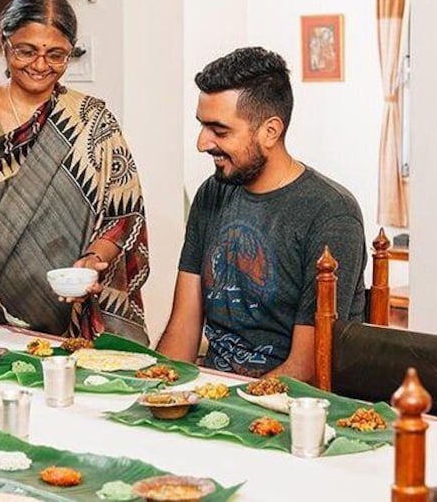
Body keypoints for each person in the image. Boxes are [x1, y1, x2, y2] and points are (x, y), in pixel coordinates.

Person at [0, 0, 149, 344]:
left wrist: (93, 259)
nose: (40, 65)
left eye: (56, 55)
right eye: (26, 51)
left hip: (65, 319)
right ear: (2, 40)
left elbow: (123, 215)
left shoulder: (92, 120)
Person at [156, 47, 366, 380]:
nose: (202, 143)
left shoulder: (330, 213)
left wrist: (228, 403)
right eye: (202, 126)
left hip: (283, 410)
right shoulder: (213, 193)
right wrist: (150, 391)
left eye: (219, 131)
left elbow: (306, 368)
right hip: (213, 394)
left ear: (270, 131)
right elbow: (182, 332)